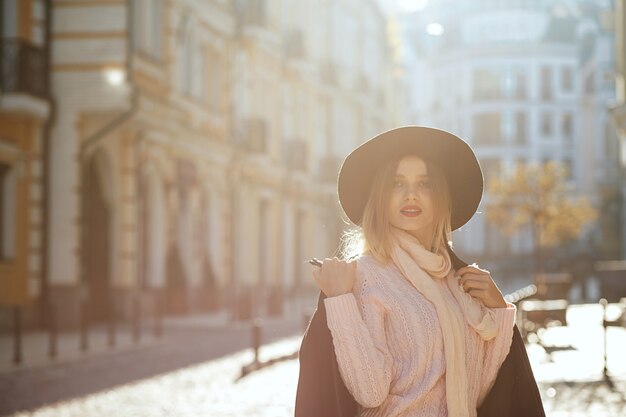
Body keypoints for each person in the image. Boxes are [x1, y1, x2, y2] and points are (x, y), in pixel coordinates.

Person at [294, 126, 545, 417]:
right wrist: (339, 302)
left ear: (441, 196)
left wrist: (499, 311)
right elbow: (370, 392)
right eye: (397, 184)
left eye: (424, 184)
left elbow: (479, 393)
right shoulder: (365, 278)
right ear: (380, 197)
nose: (410, 195)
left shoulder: (459, 282)